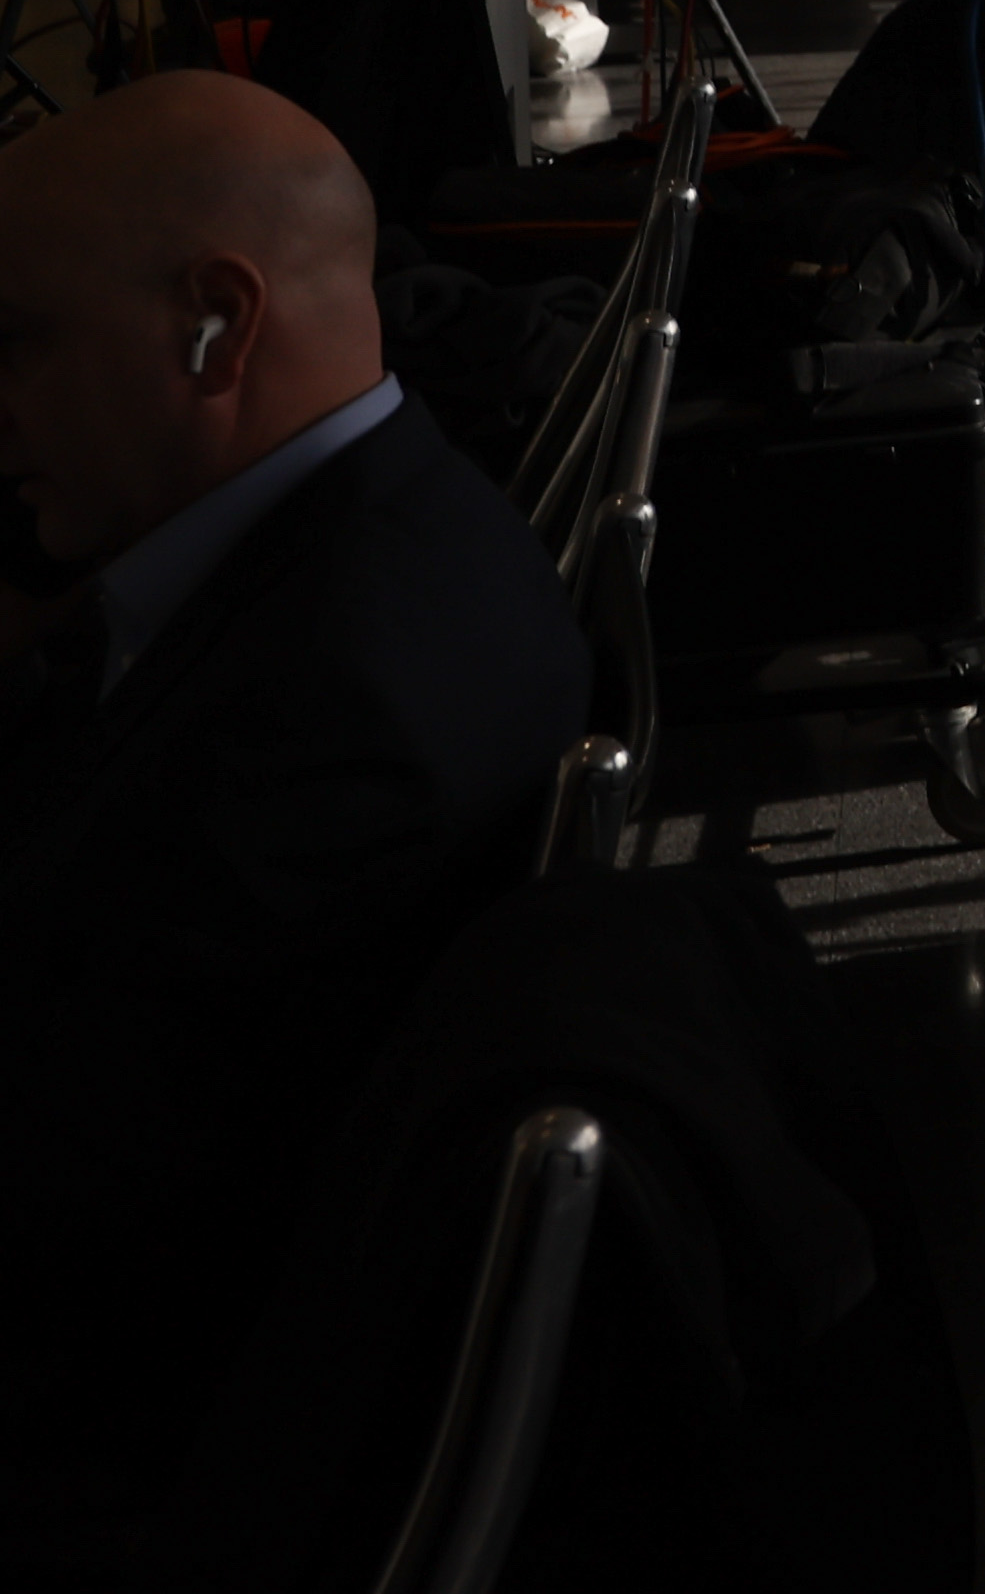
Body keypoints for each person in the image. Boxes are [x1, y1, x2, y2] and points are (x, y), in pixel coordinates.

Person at [0, 75, 589, 1535]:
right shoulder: (409, 545)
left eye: (18, 343)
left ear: (218, 323)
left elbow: (70, 1229)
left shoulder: (330, 726)